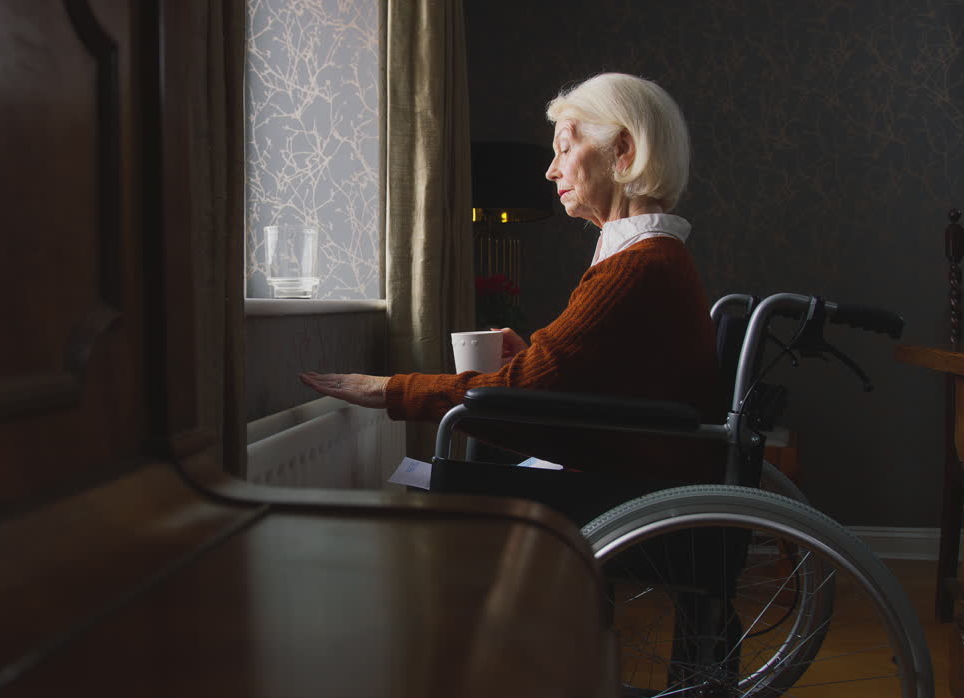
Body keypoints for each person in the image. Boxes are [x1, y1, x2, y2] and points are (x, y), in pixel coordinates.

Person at [300, 72, 721, 491]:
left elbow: (523, 391)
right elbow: (616, 382)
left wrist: (387, 389)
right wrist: (541, 360)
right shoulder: (653, 257)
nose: (551, 171)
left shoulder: (636, 266)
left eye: (565, 147)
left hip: (629, 497)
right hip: (630, 476)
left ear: (622, 150)